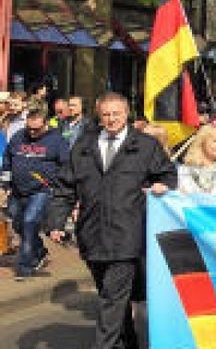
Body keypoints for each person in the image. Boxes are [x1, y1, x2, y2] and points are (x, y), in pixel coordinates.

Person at [47, 92, 176, 349]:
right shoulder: (84, 144)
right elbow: (64, 187)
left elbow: (168, 175)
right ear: (99, 115)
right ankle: (128, 343)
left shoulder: (145, 145)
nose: (111, 119)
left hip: (127, 235)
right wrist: (56, 222)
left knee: (112, 301)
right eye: (106, 114)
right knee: (113, 298)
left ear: (126, 113)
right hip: (92, 234)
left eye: (116, 113)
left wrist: (162, 185)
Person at [2, 106, 68, 280]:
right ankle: (39, 250)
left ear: (45, 124)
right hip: (17, 190)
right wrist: (5, 184)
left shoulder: (57, 141)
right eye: (29, 128)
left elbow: (66, 165)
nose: (32, 133)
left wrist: (58, 186)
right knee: (18, 225)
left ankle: (25, 266)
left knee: (30, 222)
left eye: (36, 129)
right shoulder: (18, 137)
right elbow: (8, 160)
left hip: (41, 190)